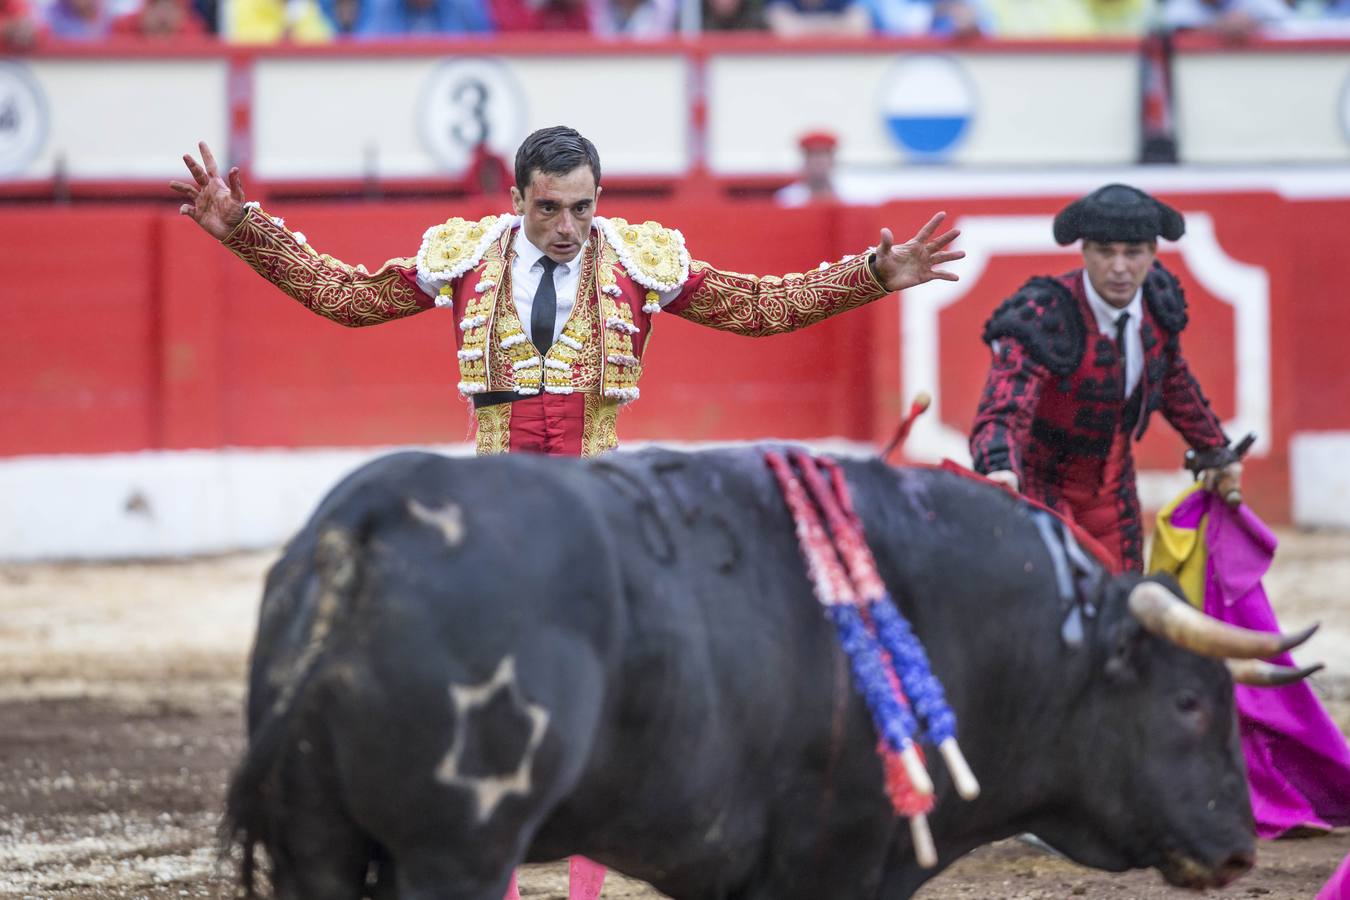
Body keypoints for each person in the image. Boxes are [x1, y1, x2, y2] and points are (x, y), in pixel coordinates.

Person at [172, 127, 961, 457]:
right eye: (548, 208)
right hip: (499, 480)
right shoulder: (466, 254)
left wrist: (872, 276)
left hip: (600, 482)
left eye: (583, 207)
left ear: (599, 197)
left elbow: (757, 310)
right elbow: (344, 298)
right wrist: (246, 229)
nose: (567, 226)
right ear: (517, 199)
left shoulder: (636, 257)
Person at [969, 184, 1240, 573]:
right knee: (1059, 603)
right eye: (1105, 251)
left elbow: (1172, 380)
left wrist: (1215, 449)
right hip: (1038, 487)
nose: (1119, 267)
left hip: (1113, 489)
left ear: (1152, 254)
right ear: (1084, 252)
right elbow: (1004, 407)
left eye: (1132, 253)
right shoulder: (1044, 313)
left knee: (1123, 602)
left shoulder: (1156, 303)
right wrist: (997, 467)